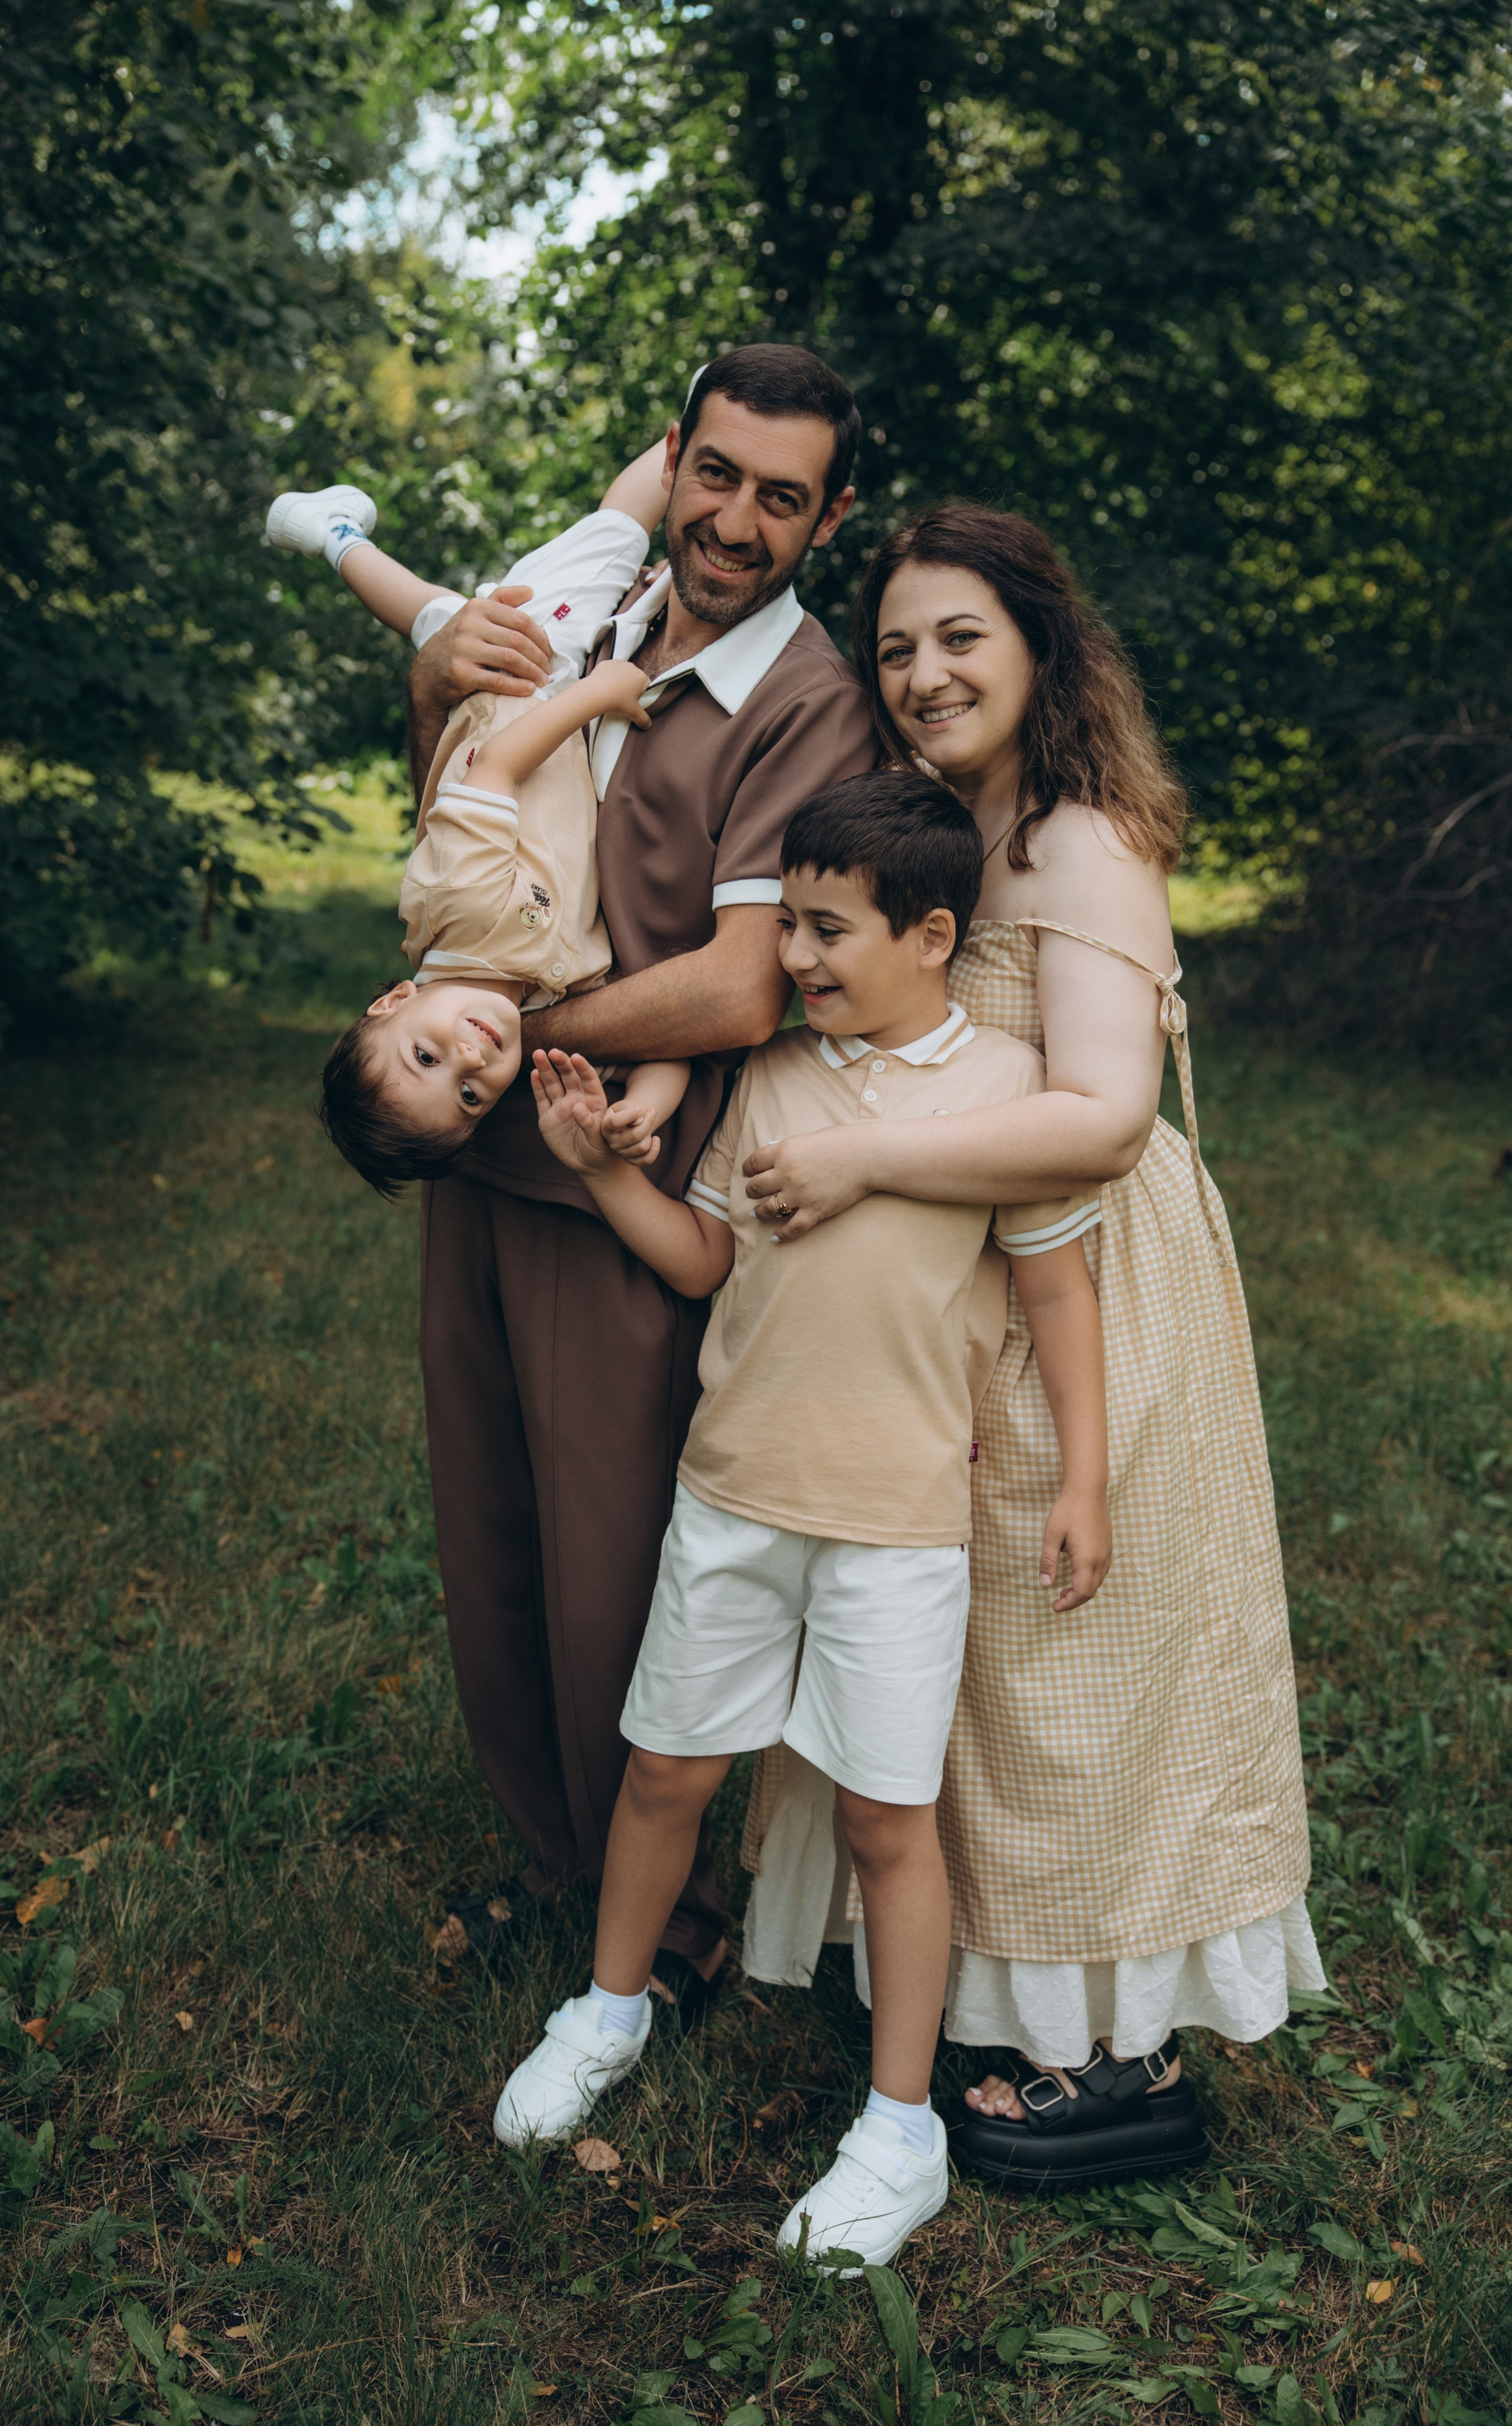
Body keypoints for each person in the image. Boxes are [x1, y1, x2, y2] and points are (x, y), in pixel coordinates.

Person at [737, 502, 1323, 2187]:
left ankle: (1114, 2057)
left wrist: (853, 1160)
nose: (922, 675)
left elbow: (1102, 1119)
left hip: (1093, 1284)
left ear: (1043, 648)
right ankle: (973, 1976)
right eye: (898, 647)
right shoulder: (935, 835)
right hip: (960, 1292)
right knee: (968, 1667)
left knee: (1084, 1669)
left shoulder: (1077, 839)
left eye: (960, 639)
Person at [493, 774, 1111, 2268]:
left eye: (826, 931)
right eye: (793, 928)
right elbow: (706, 1259)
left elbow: (1053, 1292)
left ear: (929, 933)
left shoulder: (1013, 1090)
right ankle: (609, 2003)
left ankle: (898, 2126)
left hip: (897, 1519)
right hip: (731, 1496)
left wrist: (1082, 1476)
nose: (799, 959)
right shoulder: (772, 1074)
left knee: (887, 1819)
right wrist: (599, 1174)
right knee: (667, 1773)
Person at [401, 347, 877, 2011]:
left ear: (829, 515)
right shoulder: (597, 615)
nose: (738, 521)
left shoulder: (805, 699)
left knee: (616, 1568)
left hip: (622, 1180)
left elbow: (742, 989)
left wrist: (513, 1021)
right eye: (720, 474)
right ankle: (554, 1867)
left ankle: (657, 1931)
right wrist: (433, 670)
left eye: (782, 497)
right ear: (673, 459)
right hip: (482, 1161)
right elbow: (460, 797)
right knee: (499, 1544)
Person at [267, 447, 691, 1190]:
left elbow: (495, 764)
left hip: (529, 676)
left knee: (619, 536)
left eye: (425, 1058)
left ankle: (687, 430)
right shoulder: (556, 998)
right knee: (435, 616)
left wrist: (598, 694)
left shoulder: (461, 914)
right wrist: (643, 1112)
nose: (469, 1059)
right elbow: (663, 1043)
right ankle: (332, 533)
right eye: (467, 1096)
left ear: (394, 1000)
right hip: (532, 687)